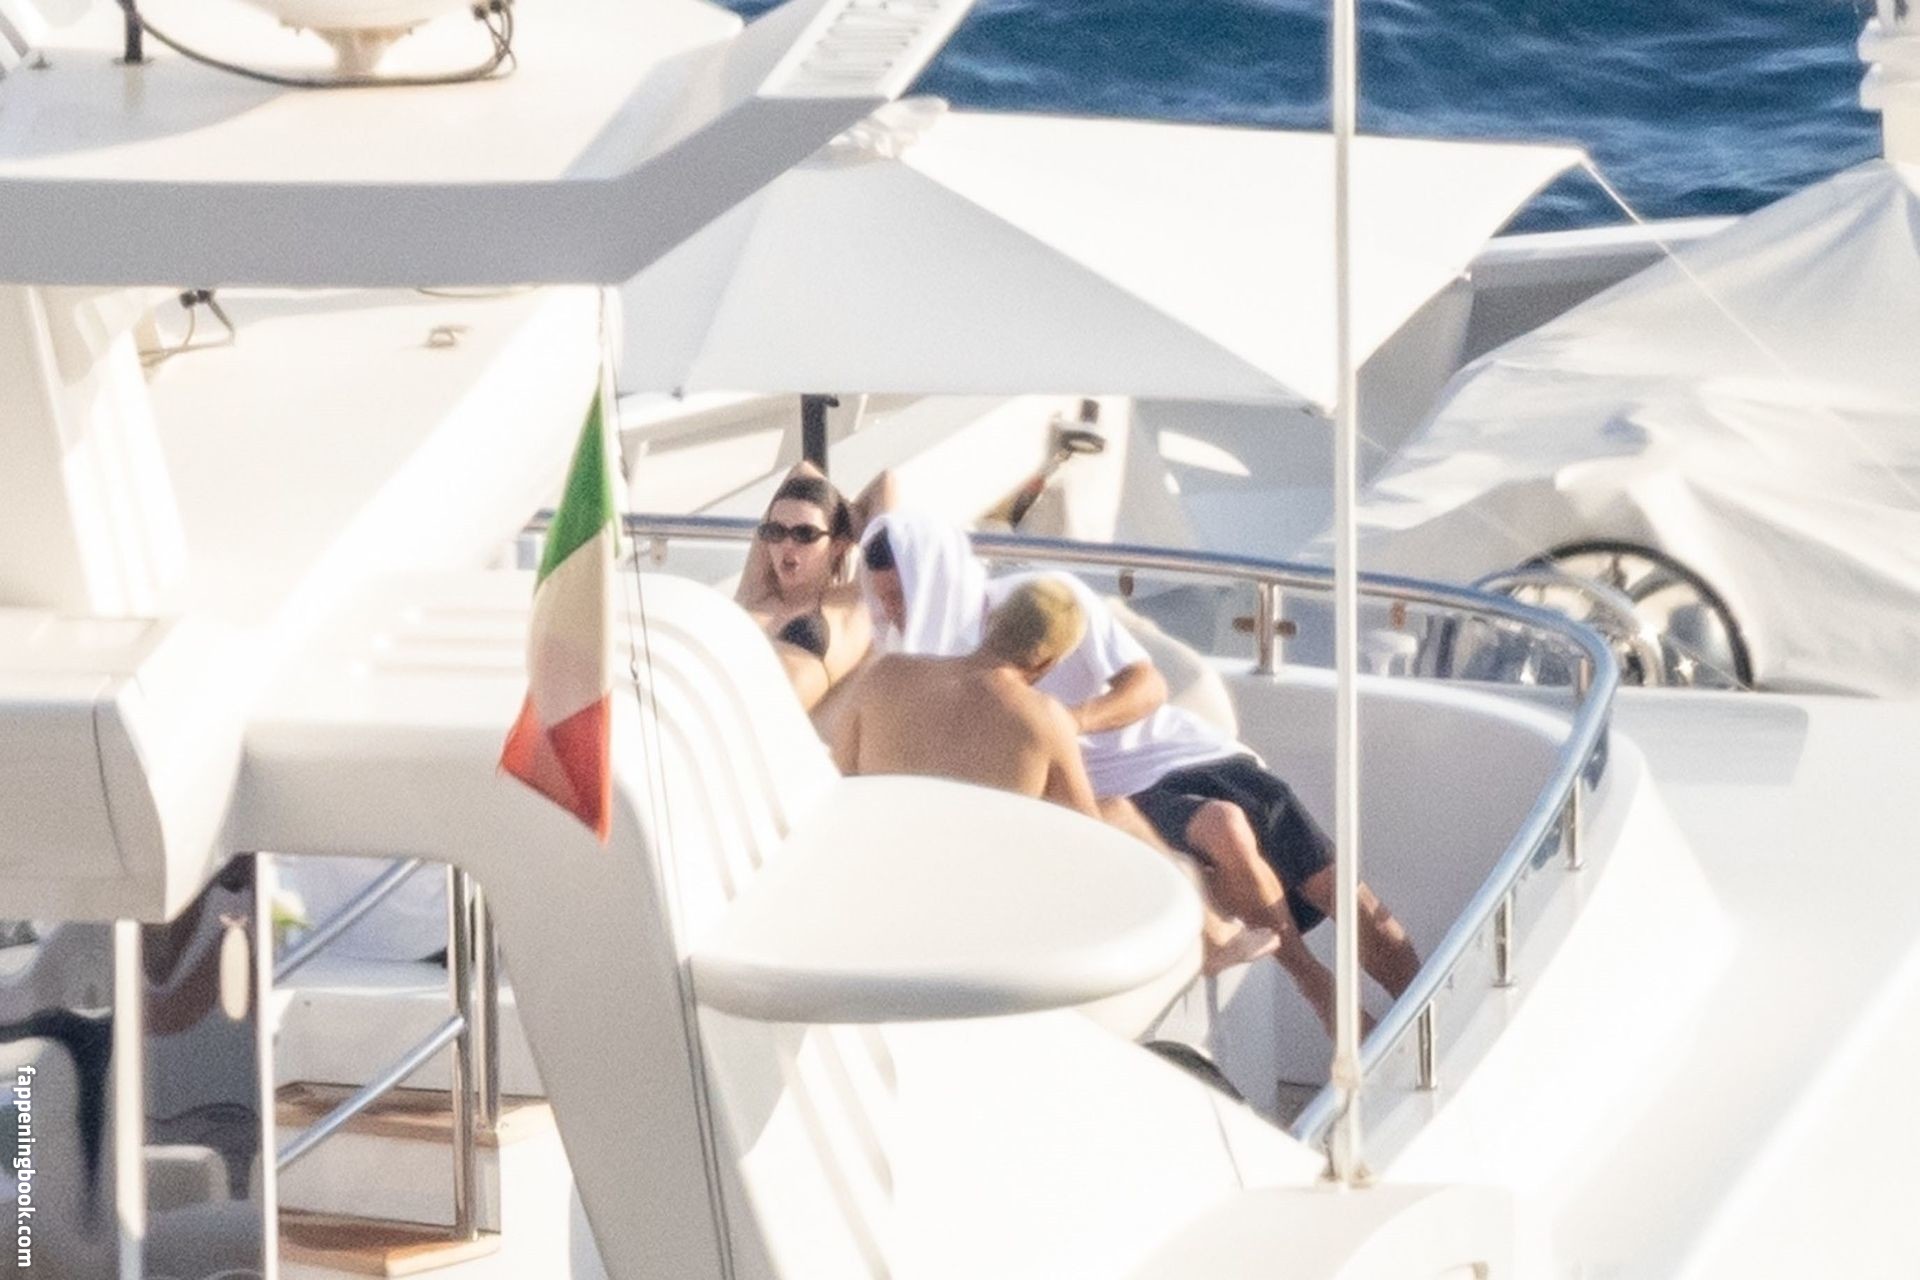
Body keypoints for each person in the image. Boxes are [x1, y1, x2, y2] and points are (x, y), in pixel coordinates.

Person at [861, 511, 1420, 1031]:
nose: (892, 613)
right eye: (883, 598)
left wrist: (1072, 721)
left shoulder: (1046, 603)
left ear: (935, 576)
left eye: (900, 596)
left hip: (1184, 750)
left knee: (1345, 894)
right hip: (1112, 787)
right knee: (1224, 827)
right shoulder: (918, 667)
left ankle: (1424, 1016)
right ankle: (1321, 993)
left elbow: (1147, 686)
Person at [829, 578, 1101, 816]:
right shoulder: (1046, 721)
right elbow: (1087, 838)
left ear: (991, 621)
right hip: (978, 859)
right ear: (1047, 664)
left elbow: (836, 782)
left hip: (880, 851)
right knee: (1118, 812)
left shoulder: (886, 674)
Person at [736, 462, 894, 709]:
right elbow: (800, 470)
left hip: (769, 716)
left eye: (805, 534)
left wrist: (839, 521)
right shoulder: (756, 592)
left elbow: (886, 483)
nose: (787, 545)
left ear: (838, 545)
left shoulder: (853, 602)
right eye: (776, 531)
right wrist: (831, 522)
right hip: (722, 707)